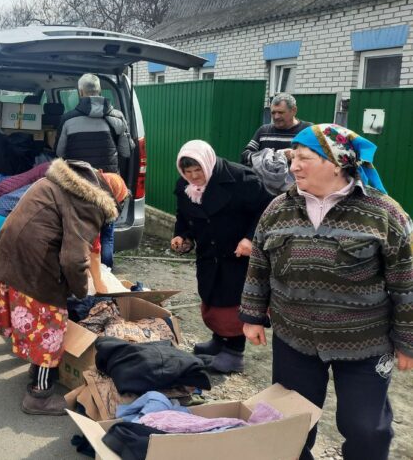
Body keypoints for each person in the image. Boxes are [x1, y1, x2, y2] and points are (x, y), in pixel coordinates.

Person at [240, 124, 413, 460]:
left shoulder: (384, 214)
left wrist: (407, 341)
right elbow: (259, 265)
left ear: (336, 162)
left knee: (366, 428)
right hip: (295, 338)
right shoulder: (277, 209)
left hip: (364, 343)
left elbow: (406, 282)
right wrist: (252, 316)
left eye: (303, 158)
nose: (293, 166)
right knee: (291, 423)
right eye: (292, 158)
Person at [0, 159, 127, 415]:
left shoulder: (63, 182)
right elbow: (74, 259)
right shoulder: (89, 202)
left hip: (13, 257)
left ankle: (38, 370)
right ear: (111, 198)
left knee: (38, 327)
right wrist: (82, 291)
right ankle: (38, 396)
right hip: (35, 266)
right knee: (51, 331)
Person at [170, 140, 271, 373]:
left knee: (234, 302)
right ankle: (219, 341)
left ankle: (234, 353)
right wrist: (182, 235)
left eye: (198, 170)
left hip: (237, 254)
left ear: (208, 163)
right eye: (188, 172)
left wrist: (250, 238)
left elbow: (267, 209)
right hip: (209, 253)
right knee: (213, 296)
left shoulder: (241, 179)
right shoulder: (185, 186)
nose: (194, 176)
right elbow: (183, 215)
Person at [56, 73, 133, 270]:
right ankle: (104, 276)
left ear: (80, 92)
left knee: (78, 232)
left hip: (79, 184)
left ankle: (79, 275)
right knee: (106, 233)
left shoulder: (68, 119)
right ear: (99, 91)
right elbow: (126, 152)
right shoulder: (117, 117)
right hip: (108, 184)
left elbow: (59, 153)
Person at [240, 93, 311, 166]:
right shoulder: (263, 131)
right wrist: (272, 156)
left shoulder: (308, 131)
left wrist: (294, 154)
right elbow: (245, 156)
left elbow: (317, 156)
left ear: (294, 110)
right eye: (273, 113)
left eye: (280, 112)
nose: (276, 117)